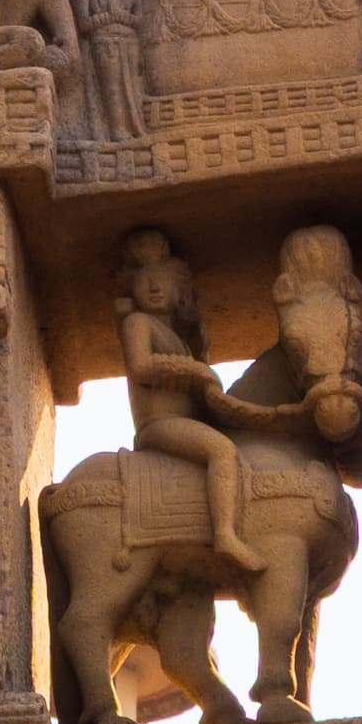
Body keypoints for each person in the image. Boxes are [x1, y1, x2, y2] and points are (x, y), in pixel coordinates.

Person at [119, 228, 259, 573]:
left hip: (180, 422)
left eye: (162, 281)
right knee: (222, 451)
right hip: (159, 425)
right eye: (145, 281)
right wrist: (196, 372)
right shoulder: (138, 323)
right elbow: (142, 366)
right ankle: (225, 534)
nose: (153, 288)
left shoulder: (177, 338)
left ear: (178, 290)